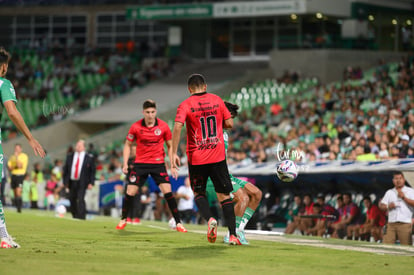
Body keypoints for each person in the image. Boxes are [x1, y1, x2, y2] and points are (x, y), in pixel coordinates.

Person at [170, 73, 241, 245]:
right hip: (217, 156)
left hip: (197, 158)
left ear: (189, 89)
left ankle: (210, 219)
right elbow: (230, 123)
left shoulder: (185, 104)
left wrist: (172, 152)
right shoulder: (217, 100)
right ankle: (232, 235)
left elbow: (178, 126)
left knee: (198, 193)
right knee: (225, 195)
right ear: (205, 86)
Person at [116, 99, 187, 233]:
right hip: (140, 164)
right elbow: (127, 145)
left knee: (168, 193)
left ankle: (178, 223)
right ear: (143, 112)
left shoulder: (164, 126)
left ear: (156, 112)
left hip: (158, 164)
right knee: (130, 191)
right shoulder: (136, 127)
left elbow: (171, 146)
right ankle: (123, 219)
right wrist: (125, 163)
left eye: (153, 112)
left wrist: (172, 164)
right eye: (147, 112)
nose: (150, 115)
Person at [0, 46, 46, 248]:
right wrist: (30, 137)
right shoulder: (3, 82)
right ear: (3, 66)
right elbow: (11, 111)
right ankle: (2, 236)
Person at [208, 101, 263, 244]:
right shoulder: (211, 131)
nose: (231, 120)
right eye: (229, 116)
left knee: (256, 194)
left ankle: (239, 230)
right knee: (243, 198)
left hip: (226, 173)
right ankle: (230, 234)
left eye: (232, 117)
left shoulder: (225, 134)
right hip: (215, 175)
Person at [63, 139, 96, 220]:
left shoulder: (89, 157)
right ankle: (74, 215)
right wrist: (65, 181)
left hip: (82, 181)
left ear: (84, 147)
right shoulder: (70, 156)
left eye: (80, 146)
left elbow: (92, 171)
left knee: (80, 198)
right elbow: (66, 170)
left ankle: (81, 216)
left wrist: (91, 182)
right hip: (72, 181)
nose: (77, 147)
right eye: (77, 145)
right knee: (72, 198)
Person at [379, 171, 414, 245]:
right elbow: (381, 206)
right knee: (386, 246)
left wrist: (404, 198)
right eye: (396, 178)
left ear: (404, 179)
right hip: (391, 223)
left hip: (405, 223)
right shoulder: (390, 192)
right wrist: (388, 206)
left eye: (400, 178)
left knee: (406, 247)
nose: (398, 180)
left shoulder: (411, 191)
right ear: (393, 180)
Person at [7, 143, 28, 213]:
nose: (16, 150)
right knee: (15, 193)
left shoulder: (24, 156)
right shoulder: (11, 157)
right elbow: (9, 168)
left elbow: (20, 166)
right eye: (15, 148)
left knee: (18, 192)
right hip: (13, 176)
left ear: (20, 149)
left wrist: (16, 158)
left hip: (20, 175)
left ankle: (19, 208)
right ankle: (17, 208)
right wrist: (14, 166)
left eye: (18, 148)